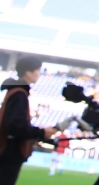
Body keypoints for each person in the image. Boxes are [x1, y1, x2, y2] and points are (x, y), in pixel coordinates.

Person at [0, 56, 58, 185]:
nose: (39, 73)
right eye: (37, 70)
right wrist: (41, 132)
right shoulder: (20, 94)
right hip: (10, 151)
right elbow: (16, 126)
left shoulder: (15, 91)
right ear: (28, 72)